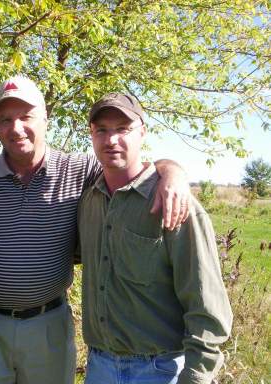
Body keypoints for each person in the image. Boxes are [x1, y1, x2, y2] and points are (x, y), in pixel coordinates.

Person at [0, 75, 191, 384]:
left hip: (49, 325)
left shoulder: (80, 169)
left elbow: (132, 168)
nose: (16, 128)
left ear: (45, 118)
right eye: (5, 119)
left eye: (26, 116)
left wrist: (172, 172)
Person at [78, 93, 233, 384]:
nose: (111, 140)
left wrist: (197, 376)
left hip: (159, 369)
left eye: (123, 129)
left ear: (142, 132)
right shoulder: (90, 201)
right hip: (99, 365)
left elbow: (206, 303)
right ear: (92, 134)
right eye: (102, 130)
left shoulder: (174, 204)